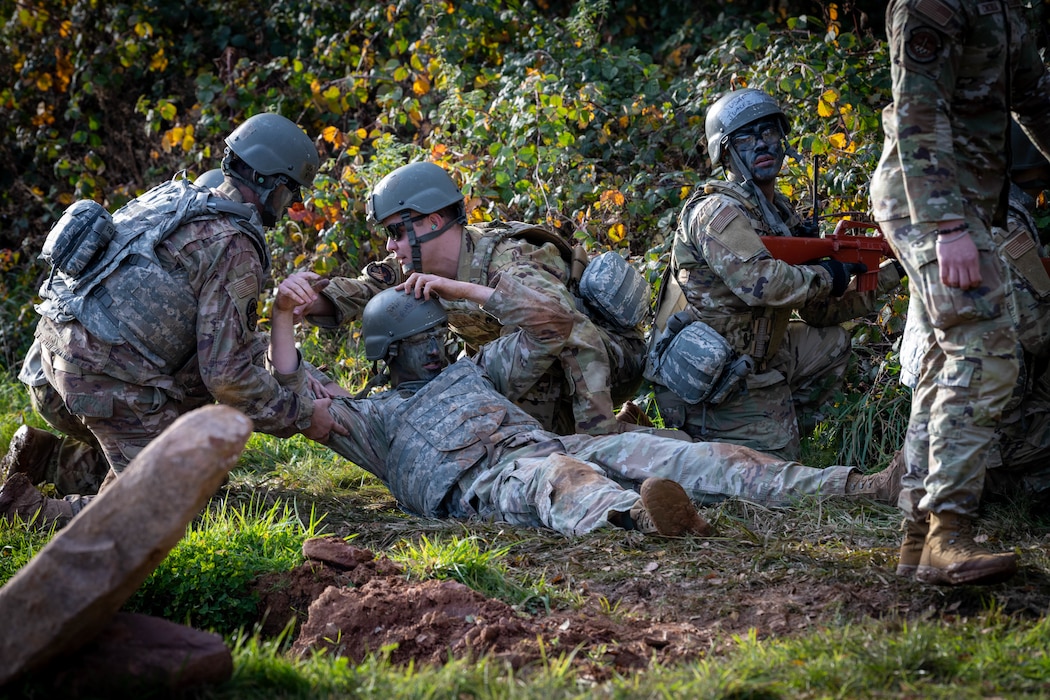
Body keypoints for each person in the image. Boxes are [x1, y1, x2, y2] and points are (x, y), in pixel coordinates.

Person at [257, 270, 902, 540]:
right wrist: (285, 310)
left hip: (550, 444)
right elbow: (288, 381)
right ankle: (646, 521)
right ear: (388, 354)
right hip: (487, 482)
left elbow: (550, 325)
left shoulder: (473, 371)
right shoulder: (370, 421)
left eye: (438, 335)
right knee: (564, 481)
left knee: (690, 453)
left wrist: (461, 289)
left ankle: (857, 487)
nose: (436, 348)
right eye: (422, 341)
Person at [0, 113, 346, 528]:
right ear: (271, 182)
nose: (291, 205)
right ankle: (23, 513)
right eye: (291, 192)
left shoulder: (173, 198)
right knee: (177, 507)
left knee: (203, 472)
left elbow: (220, 338)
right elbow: (227, 376)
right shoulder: (233, 243)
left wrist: (303, 373)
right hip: (102, 387)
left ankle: (51, 460)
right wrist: (303, 416)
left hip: (51, 373)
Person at [870, 0, 1050, 586]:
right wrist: (947, 227)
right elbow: (917, 110)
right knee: (989, 347)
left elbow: (1036, 98)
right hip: (925, 198)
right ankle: (949, 530)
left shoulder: (1000, 8)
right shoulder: (932, 4)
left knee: (944, 360)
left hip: (966, 201)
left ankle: (918, 542)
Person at [297, 161, 646, 436]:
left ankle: (619, 435)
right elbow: (368, 288)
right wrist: (314, 301)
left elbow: (574, 332)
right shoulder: (420, 259)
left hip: (605, 359)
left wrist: (597, 432)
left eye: (396, 232)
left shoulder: (509, 264)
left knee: (547, 442)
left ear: (433, 222)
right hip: (543, 364)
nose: (391, 245)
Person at [649, 87, 903, 461]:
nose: (762, 145)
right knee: (778, 474)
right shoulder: (717, 212)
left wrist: (893, 271)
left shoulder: (777, 213)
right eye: (747, 138)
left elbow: (818, 312)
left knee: (831, 343)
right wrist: (826, 275)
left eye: (769, 133)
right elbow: (761, 285)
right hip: (711, 374)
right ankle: (701, 436)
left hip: (760, 355)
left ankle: (778, 418)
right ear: (726, 152)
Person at [894, 123, 1050, 579]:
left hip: (939, 426)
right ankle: (943, 536)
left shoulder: (958, 209)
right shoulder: (1004, 219)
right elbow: (1038, 328)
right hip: (987, 432)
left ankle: (917, 543)